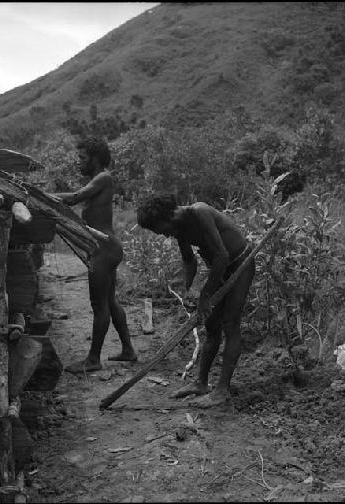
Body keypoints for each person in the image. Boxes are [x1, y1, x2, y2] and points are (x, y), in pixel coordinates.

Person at [136, 193, 255, 408]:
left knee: (230, 324)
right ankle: (201, 383)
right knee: (211, 326)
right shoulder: (179, 228)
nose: (164, 235)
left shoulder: (199, 212)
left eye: (161, 229)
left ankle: (222, 390)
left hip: (240, 264)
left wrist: (205, 295)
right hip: (220, 269)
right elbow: (189, 261)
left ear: (169, 216)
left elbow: (222, 256)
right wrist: (187, 289)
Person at [53, 137, 137, 373]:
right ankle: (128, 350)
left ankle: (93, 360)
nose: (78, 162)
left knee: (99, 306)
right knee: (110, 301)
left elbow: (74, 198)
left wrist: (38, 194)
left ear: (96, 158)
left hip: (103, 249)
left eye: (82, 158)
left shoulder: (103, 177)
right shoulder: (100, 180)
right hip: (105, 248)